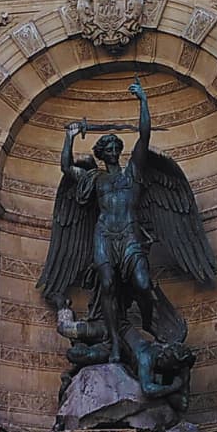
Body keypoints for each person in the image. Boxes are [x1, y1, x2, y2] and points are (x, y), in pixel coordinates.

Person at [60, 79, 154, 362]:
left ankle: (149, 322)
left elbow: (145, 135)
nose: (113, 148)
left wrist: (144, 101)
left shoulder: (132, 172)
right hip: (104, 233)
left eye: (116, 145)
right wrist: (70, 136)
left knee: (143, 283)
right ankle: (114, 344)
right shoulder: (94, 178)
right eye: (108, 146)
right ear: (101, 153)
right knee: (109, 287)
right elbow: (66, 168)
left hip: (128, 234)